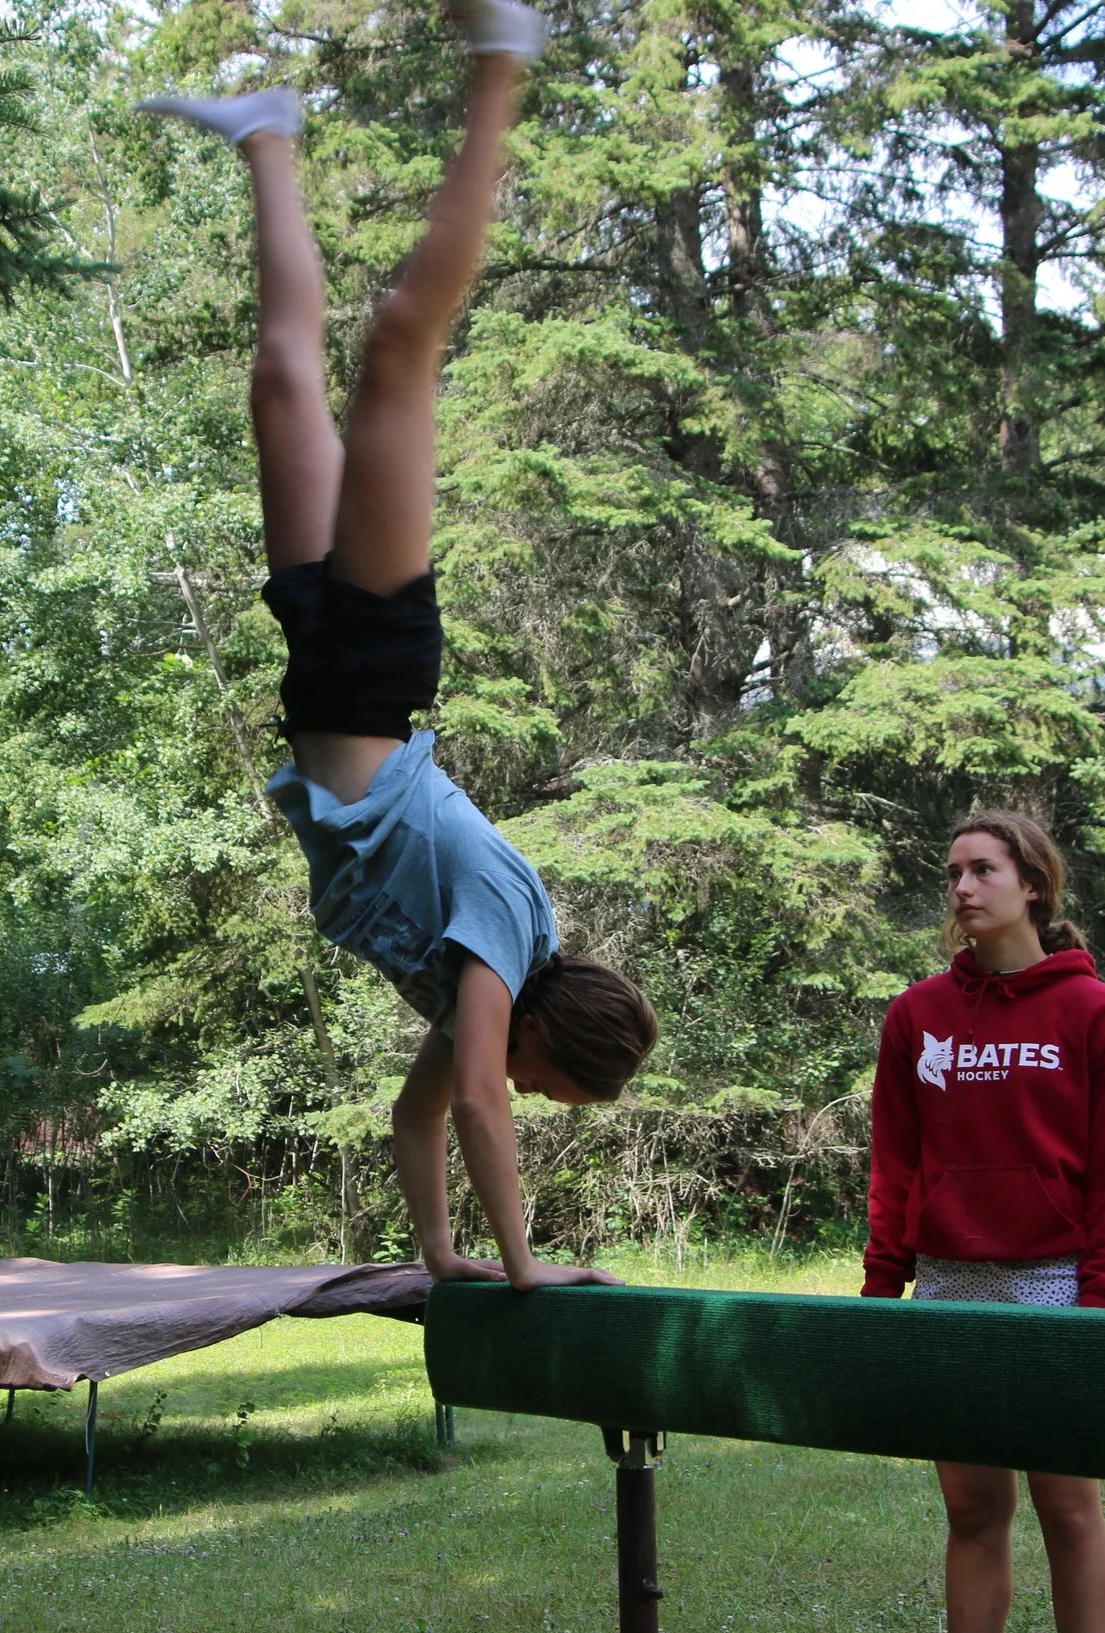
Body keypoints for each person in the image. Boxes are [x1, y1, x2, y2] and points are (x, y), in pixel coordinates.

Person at [140, 0, 656, 1294]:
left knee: (280, 375)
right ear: (546, 1036)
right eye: (548, 1085)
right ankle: (505, 63)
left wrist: (444, 1255)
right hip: (371, 666)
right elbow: (476, 1103)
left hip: (321, 673)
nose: (521, 1094)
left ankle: (267, 140)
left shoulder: (473, 988)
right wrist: (529, 1269)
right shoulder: (502, 935)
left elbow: (415, 1115)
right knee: (399, 351)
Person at [861, 810, 1105, 1633]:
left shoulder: (1099, 1015)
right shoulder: (917, 1015)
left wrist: (1102, 1310)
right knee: (974, 1512)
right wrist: (884, 1295)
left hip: (1057, 1289)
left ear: (1032, 884)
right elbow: (896, 1167)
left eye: (982, 870)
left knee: (1067, 1505)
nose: (961, 888)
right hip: (947, 1287)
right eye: (953, 872)